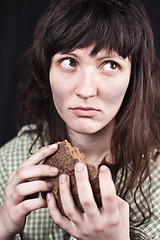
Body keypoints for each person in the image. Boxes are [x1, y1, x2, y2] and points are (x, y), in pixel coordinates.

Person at [0, 0, 160, 239]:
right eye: (70, 62)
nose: (86, 91)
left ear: (134, 79)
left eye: (110, 64)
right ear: (47, 70)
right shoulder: (11, 162)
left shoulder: (155, 182)